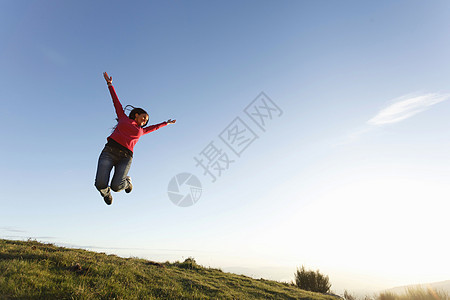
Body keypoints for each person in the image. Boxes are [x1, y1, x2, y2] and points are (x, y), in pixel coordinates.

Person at [94, 72, 176, 205]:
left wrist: (166, 123)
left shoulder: (141, 130)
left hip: (125, 157)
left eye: (146, 121)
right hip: (109, 151)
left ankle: (127, 182)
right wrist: (110, 84)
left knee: (116, 186)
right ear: (137, 114)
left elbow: (154, 127)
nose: (145, 121)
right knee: (100, 183)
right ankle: (105, 193)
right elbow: (116, 101)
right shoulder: (123, 117)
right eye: (144, 117)